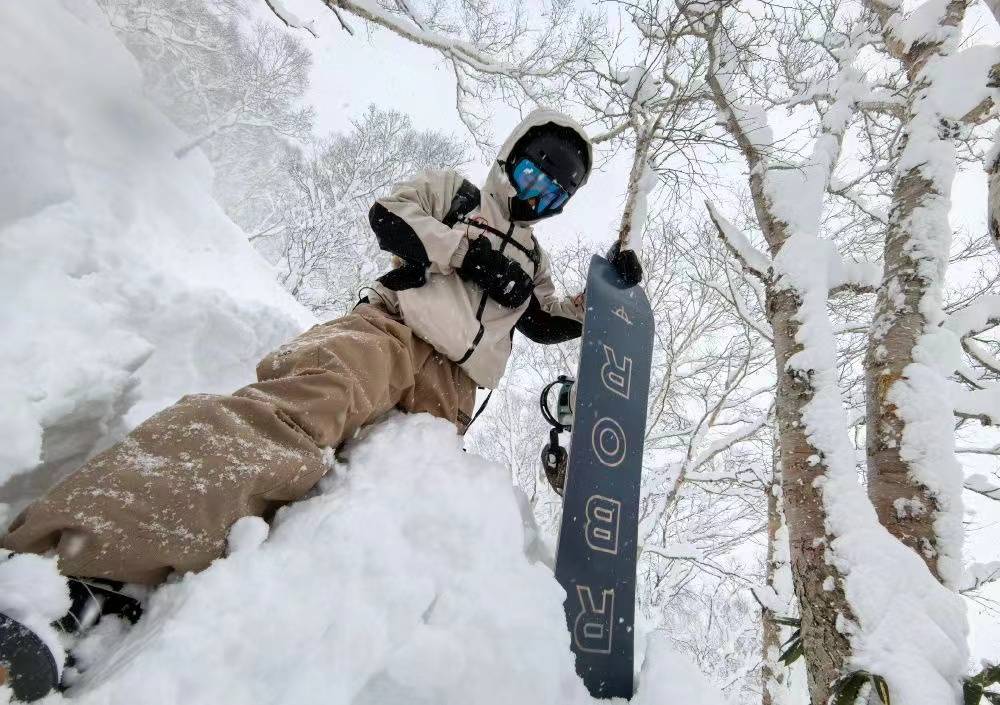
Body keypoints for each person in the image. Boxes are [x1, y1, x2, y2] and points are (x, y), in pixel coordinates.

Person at [0, 108, 641, 697]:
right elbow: (390, 211)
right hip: (389, 334)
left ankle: (153, 595)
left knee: (384, 507)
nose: (536, 193)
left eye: (554, 192)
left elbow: (550, 320)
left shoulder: (533, 259)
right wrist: (463, 252)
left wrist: (601, 297)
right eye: (533, 171)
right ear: (510, 157)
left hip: (451, 393)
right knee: (289, 421)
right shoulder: (457, 194)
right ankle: (66, 565)